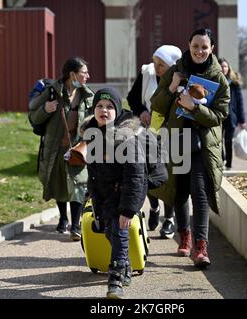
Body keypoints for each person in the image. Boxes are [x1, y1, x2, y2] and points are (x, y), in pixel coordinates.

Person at [150, 28, 230, 268]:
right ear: (188, 45)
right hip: (177, 138)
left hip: (202, 143)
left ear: (211, 49)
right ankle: (184, 236)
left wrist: (195, 109)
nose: (199, 51)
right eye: (196, 46)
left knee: (200, 192)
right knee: (179, 190)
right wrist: (173, 86)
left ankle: (201, 247)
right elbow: (157, 105)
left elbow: (221, 115)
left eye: (204, 47)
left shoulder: (218, 78)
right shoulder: (175, 71)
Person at [83, 87, 147, 299]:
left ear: (117, 111)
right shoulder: (91, 134)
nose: (104, 110)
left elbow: (135, 175)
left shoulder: (127, 137)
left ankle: (116, 279)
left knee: (119, 229)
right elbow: (93, 170)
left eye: (110, 106)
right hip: (103, 193)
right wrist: (91, 193)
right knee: (108, 230)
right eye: (99, 106)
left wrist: (128, 209)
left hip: (125, 191)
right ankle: (126, 266)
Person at [28, 57, 93, 241]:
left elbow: (94, 118)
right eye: (84, 72)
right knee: (59, 184)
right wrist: (46, 110)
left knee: (78, 184)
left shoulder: (87, 95)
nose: (88, 76)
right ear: (72, 74)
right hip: (55, 148)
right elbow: (34, 117)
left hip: (78, 148)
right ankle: (63, 218)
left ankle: (75, 224)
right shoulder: (51, 92)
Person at [127, 45, 182, 238]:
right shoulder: (147, 72)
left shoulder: (181, 77)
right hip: (149, 130)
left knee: (168, 173)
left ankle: (169, 218)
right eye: (155, 62)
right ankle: (154, 207)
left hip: (171, 131)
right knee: (148, 170)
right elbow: (132, 97)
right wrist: (141, 111)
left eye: (161, 64)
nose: (156, 67)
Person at [218, 58, 246, 170]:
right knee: (218, 140)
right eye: (221, 66)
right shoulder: (215, 81)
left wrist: (242, 120)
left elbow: (240, 102)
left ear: (228, 68)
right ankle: (222, 159)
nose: (223, 68)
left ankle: (228, 164)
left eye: (225, 66)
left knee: (228, 141)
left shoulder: (234, 84)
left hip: (231, 117)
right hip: (218, 116)